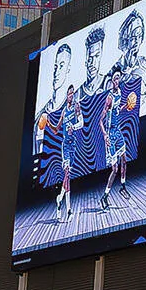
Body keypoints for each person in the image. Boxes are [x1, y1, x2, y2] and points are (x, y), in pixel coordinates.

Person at [47, 83, 84, 222]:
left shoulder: (76, 107)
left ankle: (60, 200)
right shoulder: (63, 111)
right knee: (67, 173)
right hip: (65, 147)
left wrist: (73, 127)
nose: (71, 95)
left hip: (73, 144)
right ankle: (68, 209)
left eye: (73, 93)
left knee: (68, 177)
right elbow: (56, 130)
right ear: (66, 96)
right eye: (69, 93)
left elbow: (82, 122)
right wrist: (49, 123)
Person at [33, 43, 72, 158]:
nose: (57, 72)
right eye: (55, 67)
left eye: (61, 66)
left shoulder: (70, 108)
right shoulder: (39, 116)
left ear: (68, 69)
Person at [100, 69, 131, 210]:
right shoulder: (110, 98)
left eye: (119, 78)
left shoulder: (120, 93)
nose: (117, 80)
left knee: (124, 159)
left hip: (118, 132)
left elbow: (117, 111)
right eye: (115, 78)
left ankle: (123, 187)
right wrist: (105, 135)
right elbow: (100, 120)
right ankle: (105, 196)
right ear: (112, 81)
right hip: (111, 135)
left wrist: (127, 106)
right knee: (115, 168)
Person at [113, 10, 146, 112]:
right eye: (133, 36)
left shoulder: (144, 64)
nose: (137, 41)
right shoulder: (116, 70)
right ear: (125, 38)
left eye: (139, 36)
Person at [78, 26, 108, 97]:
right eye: (90, 57)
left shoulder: (107, 83)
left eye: (97, 56)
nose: (93, 63)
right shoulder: (78, 93)